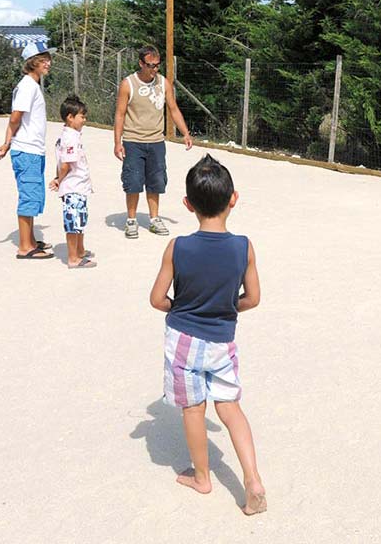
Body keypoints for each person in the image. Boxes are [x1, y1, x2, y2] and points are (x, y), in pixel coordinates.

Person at [148, 154, 266, 516]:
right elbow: (253, 298)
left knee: (194, 409)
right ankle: (253, 479)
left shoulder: (178, 247)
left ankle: (202, 477)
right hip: (222, 340)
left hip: (184, 339)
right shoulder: (243, 246)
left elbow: (157, 299)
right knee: (229, 407)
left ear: (188, 204)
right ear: (233, 199)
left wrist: (182, 307)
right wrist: (226, 308)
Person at [113, 45, 194, 239]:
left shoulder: (163, 83)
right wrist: (117, 142)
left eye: (157, 65)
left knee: (156, 182)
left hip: (156, 141)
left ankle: (154, 219)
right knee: (133, 181)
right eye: (150, 65)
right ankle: (131, 220)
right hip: (133, 141)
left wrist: (185, 132)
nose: (154, 69)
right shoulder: (128, 84)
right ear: (141, 63)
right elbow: (120, 114)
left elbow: (173, 108)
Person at [0, 42, 57, 260]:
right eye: (43, 60)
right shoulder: (28, 86)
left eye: (48, 59)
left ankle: (30, 240)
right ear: (32, 63)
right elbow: (15, 117)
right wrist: (7, 143)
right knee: (29, 196)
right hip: (27, 150)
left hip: (33, 150)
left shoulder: (32, 85)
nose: (48, 63)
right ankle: (25, 247)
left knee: (34, 194)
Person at [48, 95, 96, 269]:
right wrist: (58, 180)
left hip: (79, 186)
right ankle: (73, 258)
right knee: (73, 223)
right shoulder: (70, 138)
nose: (84, 120)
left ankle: (80, 250)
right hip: (73, 187)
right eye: (82, 116)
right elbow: (65, 165)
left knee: (80, 220)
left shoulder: (71, 136)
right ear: (70, 117)